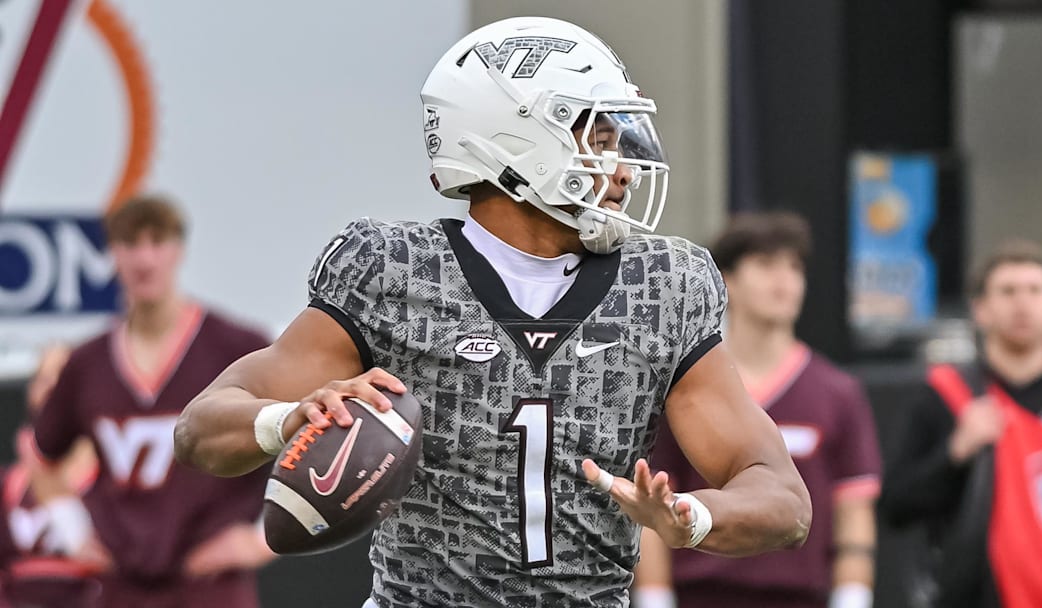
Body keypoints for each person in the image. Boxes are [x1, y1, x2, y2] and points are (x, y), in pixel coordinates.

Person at [173, 17, 812, 608]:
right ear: (517, 141)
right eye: (599, 135)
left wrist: (692, 518)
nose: (623, 169)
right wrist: (291, 417)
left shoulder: (663, 284)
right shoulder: (394, 270)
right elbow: (200, 430)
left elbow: (783, 497)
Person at [31, 195, 276, 607]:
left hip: (211, 585)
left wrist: (263, 539)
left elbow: (303, 436)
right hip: (123, 586)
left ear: (178, 249)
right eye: (130, 243)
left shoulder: (236, 347)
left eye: (156, 241)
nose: (144, 258)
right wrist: (72, 531)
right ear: (112, 253)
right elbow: (41, 453)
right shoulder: (86, 363)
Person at [635, 213, 881, 608]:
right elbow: (652, 500)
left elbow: (854, 511)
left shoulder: (838, 392)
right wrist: (654, 597)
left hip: (801, 597)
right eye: (766, 265)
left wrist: (853, 596)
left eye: (795, 267)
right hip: (701, 594)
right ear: (726, 279)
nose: (784, 281)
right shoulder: (689, 388)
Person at [879, 239, 1042, 608]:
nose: (1022, 303)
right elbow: (895, 505)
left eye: (1035, 290)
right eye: (1008, 291)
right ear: (980, 310)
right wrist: (956, 452)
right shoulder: (944, 395)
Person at [0, 345, 102, 607]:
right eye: (45, 378)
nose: (55, 387)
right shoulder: (9, 485)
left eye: (65, 377)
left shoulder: (117, 484)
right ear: (32, 391)